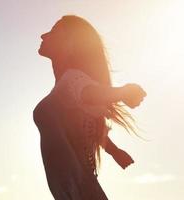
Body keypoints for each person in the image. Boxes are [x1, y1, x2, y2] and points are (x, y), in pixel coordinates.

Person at [33, 15, 147, 200]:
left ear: (69, 42)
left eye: (53, 31)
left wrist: (122, 92)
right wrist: (113, 151)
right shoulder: (65, 84)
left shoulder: (72, 79)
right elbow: (84, 117)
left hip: (80, 192)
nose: (43, 35)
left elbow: (90, 93)